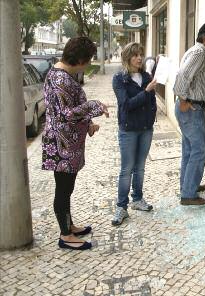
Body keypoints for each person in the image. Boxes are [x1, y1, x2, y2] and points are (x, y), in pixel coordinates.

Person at [41, 37, 109, 250]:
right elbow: (67, 114)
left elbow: (72, 108)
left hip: (68, 143)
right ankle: (65, 235)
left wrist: (88, 123)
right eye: (88, 59)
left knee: (66, 188)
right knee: (62, 189)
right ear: (79, 58)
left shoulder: (63, 75)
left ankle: (69, 225)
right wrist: (95, 106)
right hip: (61, 145)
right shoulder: (61, 79)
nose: (89, 63)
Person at [173, 23, 205, 206]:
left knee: (190, 150)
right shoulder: (200, 53)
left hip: (192, 108)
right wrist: (183, 100)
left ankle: (188, 187)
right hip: (192, 109)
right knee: (200, 151)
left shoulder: (198, 51)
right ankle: (189, 194)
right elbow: (183, 75)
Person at [111, 43, 157, 226]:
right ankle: (122, 207)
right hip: (128, 130)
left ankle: (137, 200)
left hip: (146, 129)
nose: (139, 58)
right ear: (127, 57)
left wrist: (150, 116)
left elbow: (151, 103)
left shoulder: (147, 76)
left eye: (141, 54)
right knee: (126, 169)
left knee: (140, 167)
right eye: (135, 55)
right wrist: (146, 92)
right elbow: (126, 105)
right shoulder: (119, 79)